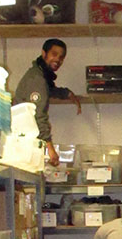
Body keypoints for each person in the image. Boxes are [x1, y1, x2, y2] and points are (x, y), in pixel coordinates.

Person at [14, 37, 81, 167]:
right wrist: (50, 149)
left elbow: (48, 90)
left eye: (61, 57)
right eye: (54, 54)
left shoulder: (40, 75)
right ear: (44, 53)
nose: (58, 60)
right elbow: (38, 115)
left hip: (25, 139)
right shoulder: (37, 79)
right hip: (24, 141)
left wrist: (66, 93)